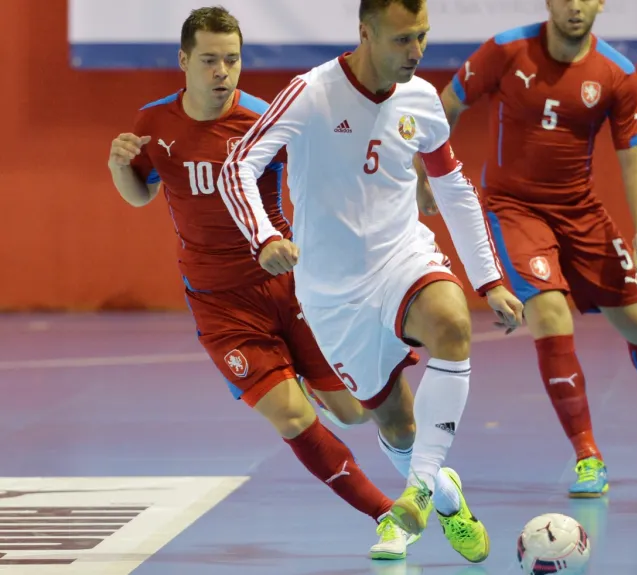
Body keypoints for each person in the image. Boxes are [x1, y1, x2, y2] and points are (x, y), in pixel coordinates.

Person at [105, 6, 421, 559]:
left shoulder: (265, 117)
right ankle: (387, 515)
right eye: (208, 60)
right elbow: (141, 194)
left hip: (291, 288)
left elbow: (332, 167)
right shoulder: (153, 123)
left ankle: (324, 391)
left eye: (232, 59)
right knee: (292, 415)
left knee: (352, 411)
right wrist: (118, 168)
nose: (222, 71)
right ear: (183, 61)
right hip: (220, 303)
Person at [217, 0, 524, 563]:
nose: (416, 53)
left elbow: (454, 190)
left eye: (423, 37)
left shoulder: (423, 100)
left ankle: (421, 492)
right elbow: (237, 165)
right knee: (397, 424)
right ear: (365, 32)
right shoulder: (311, 92)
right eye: (403, 39)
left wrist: (490, 280)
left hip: (402, 257)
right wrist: (263, 238)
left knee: (452, 324)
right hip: (333, 294)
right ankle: (449, 500)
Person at [424, 0, 637, 498]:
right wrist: (428, 171)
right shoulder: (506, 51)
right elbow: (447, 103)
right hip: (514, 210)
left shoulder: (616, 73)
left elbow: (634, 159)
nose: (574, 6)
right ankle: (588, 455)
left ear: (600, 4)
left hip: (582, 212)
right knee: (550, 316)